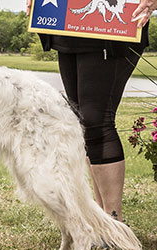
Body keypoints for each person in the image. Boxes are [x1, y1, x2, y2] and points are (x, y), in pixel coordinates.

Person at [25, 0, 153, 223]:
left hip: (112, 27)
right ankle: (101, 220)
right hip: (68, 24)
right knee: (83, 124)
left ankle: (114, 223)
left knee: (96, 120)